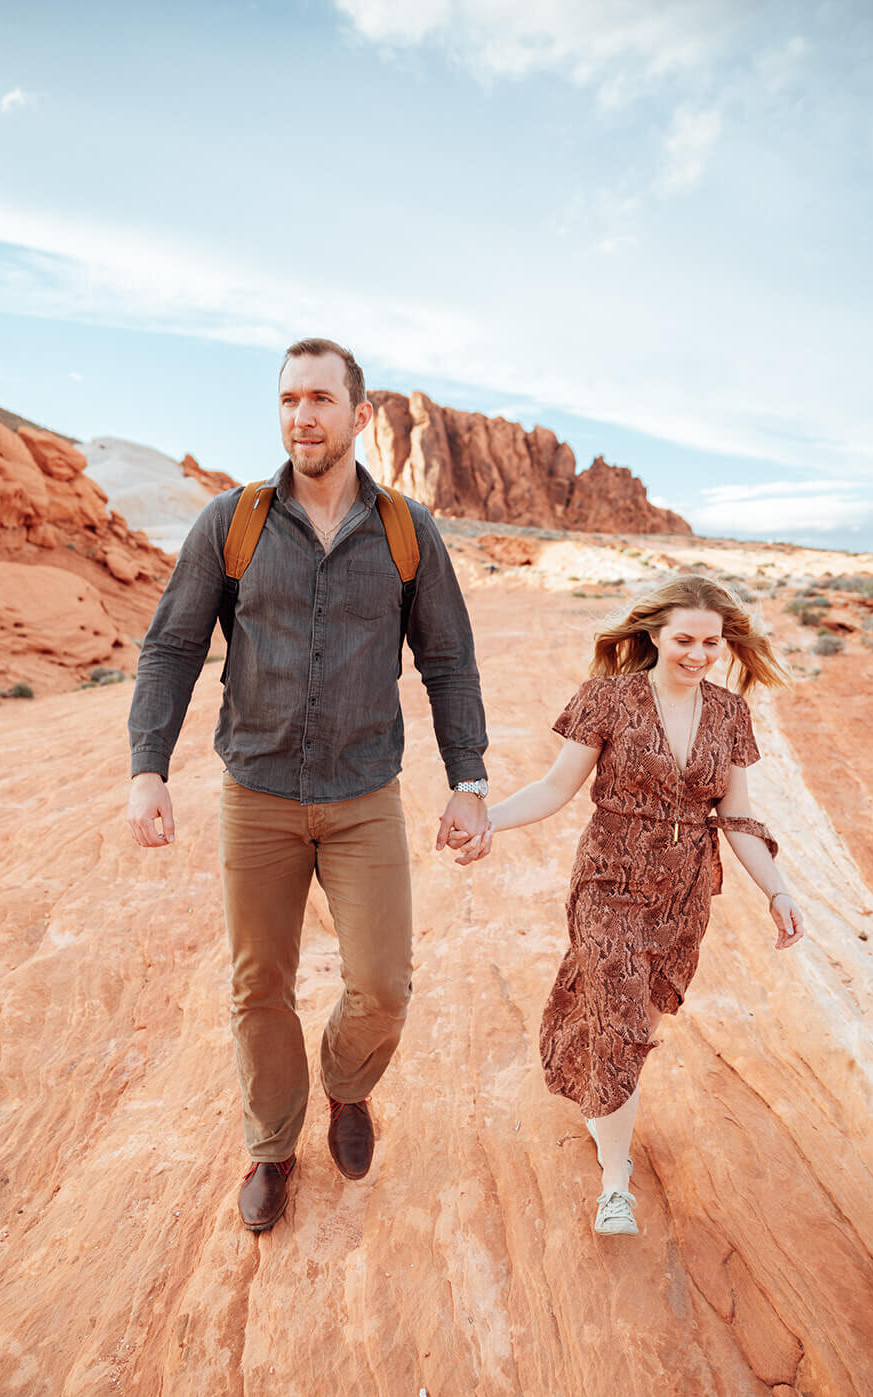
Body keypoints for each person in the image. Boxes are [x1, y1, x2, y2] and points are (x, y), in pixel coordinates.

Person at [127, 337, 489, 1232]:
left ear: (359, 417)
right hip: (256, 793)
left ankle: (346, 1087)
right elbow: (172, 647)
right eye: (289, 399)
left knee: (383, 984)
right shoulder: (233, 520)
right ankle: (271, 1147)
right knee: (258, 987)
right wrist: (148, 768)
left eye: (321, 399)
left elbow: (447, 659)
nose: (302, 416)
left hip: (365, 791)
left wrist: (468, 778)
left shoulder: (406, 530)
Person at [451, 575, 803, 1236]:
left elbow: (738, 817)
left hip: (683, 895)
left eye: (710, 641)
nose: (696, 653)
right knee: (621, 1026)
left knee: (628, 1021)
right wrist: (486, 821)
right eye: (683, 640)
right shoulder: (606, 699)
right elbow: (555, 787)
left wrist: (778, 891)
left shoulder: (729, 713)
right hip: (608, 884)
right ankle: (616, 1182)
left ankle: (600, 1102)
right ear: (654, 636)